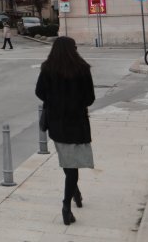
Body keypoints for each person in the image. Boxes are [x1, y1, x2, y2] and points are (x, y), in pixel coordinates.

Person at [35, 36, 95, 226]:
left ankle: (74, 192)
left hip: (57, 123)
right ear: (73, 49)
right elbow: (90, 98)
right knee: (72, 166)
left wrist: (54, 101)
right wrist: (75, 104)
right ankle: (66, 206)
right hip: (77, 122)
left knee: (68, 162)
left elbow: (39, 92)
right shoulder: (82, 69)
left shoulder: (48, 68)